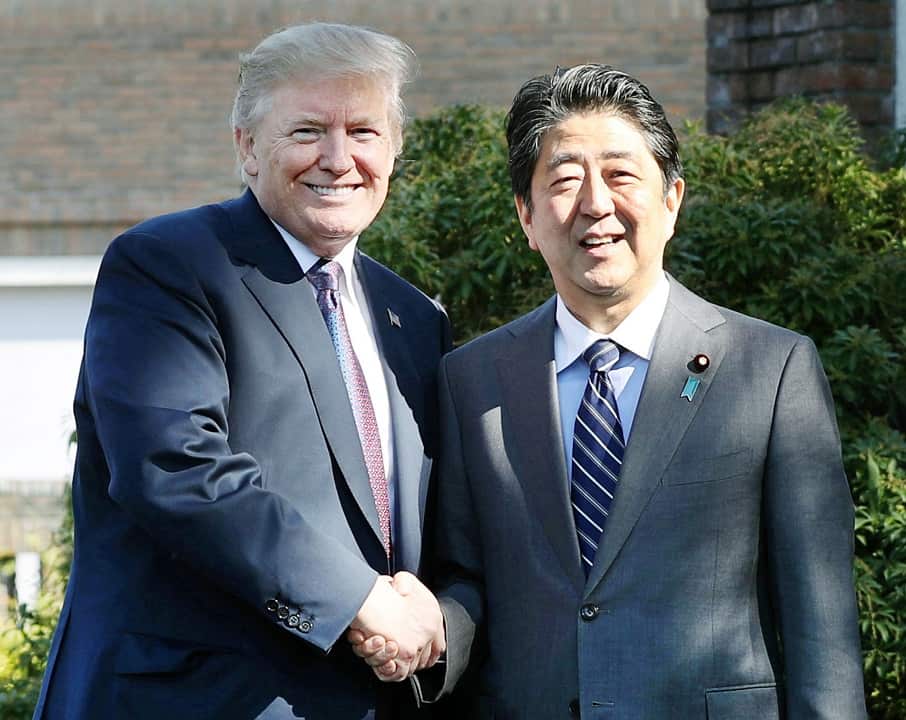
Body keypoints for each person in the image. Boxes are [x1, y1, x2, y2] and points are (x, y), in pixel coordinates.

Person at [353, 64, 867, 718]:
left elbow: (818, 617)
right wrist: (429, 633)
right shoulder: (471, 380)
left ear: (672, 199)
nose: (596, 203)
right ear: (527, 217)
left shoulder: (771, 369)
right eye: (565, 180)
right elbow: (469, 580)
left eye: (621, 174)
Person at [33, 22, 449, 720]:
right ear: (248, 147)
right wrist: (357, 600)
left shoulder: (414, 318)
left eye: (365, 132)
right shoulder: (170, 265)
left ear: (396, 150)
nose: (340, 158)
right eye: (309, 130)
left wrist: (438, 619)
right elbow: (176, 468)